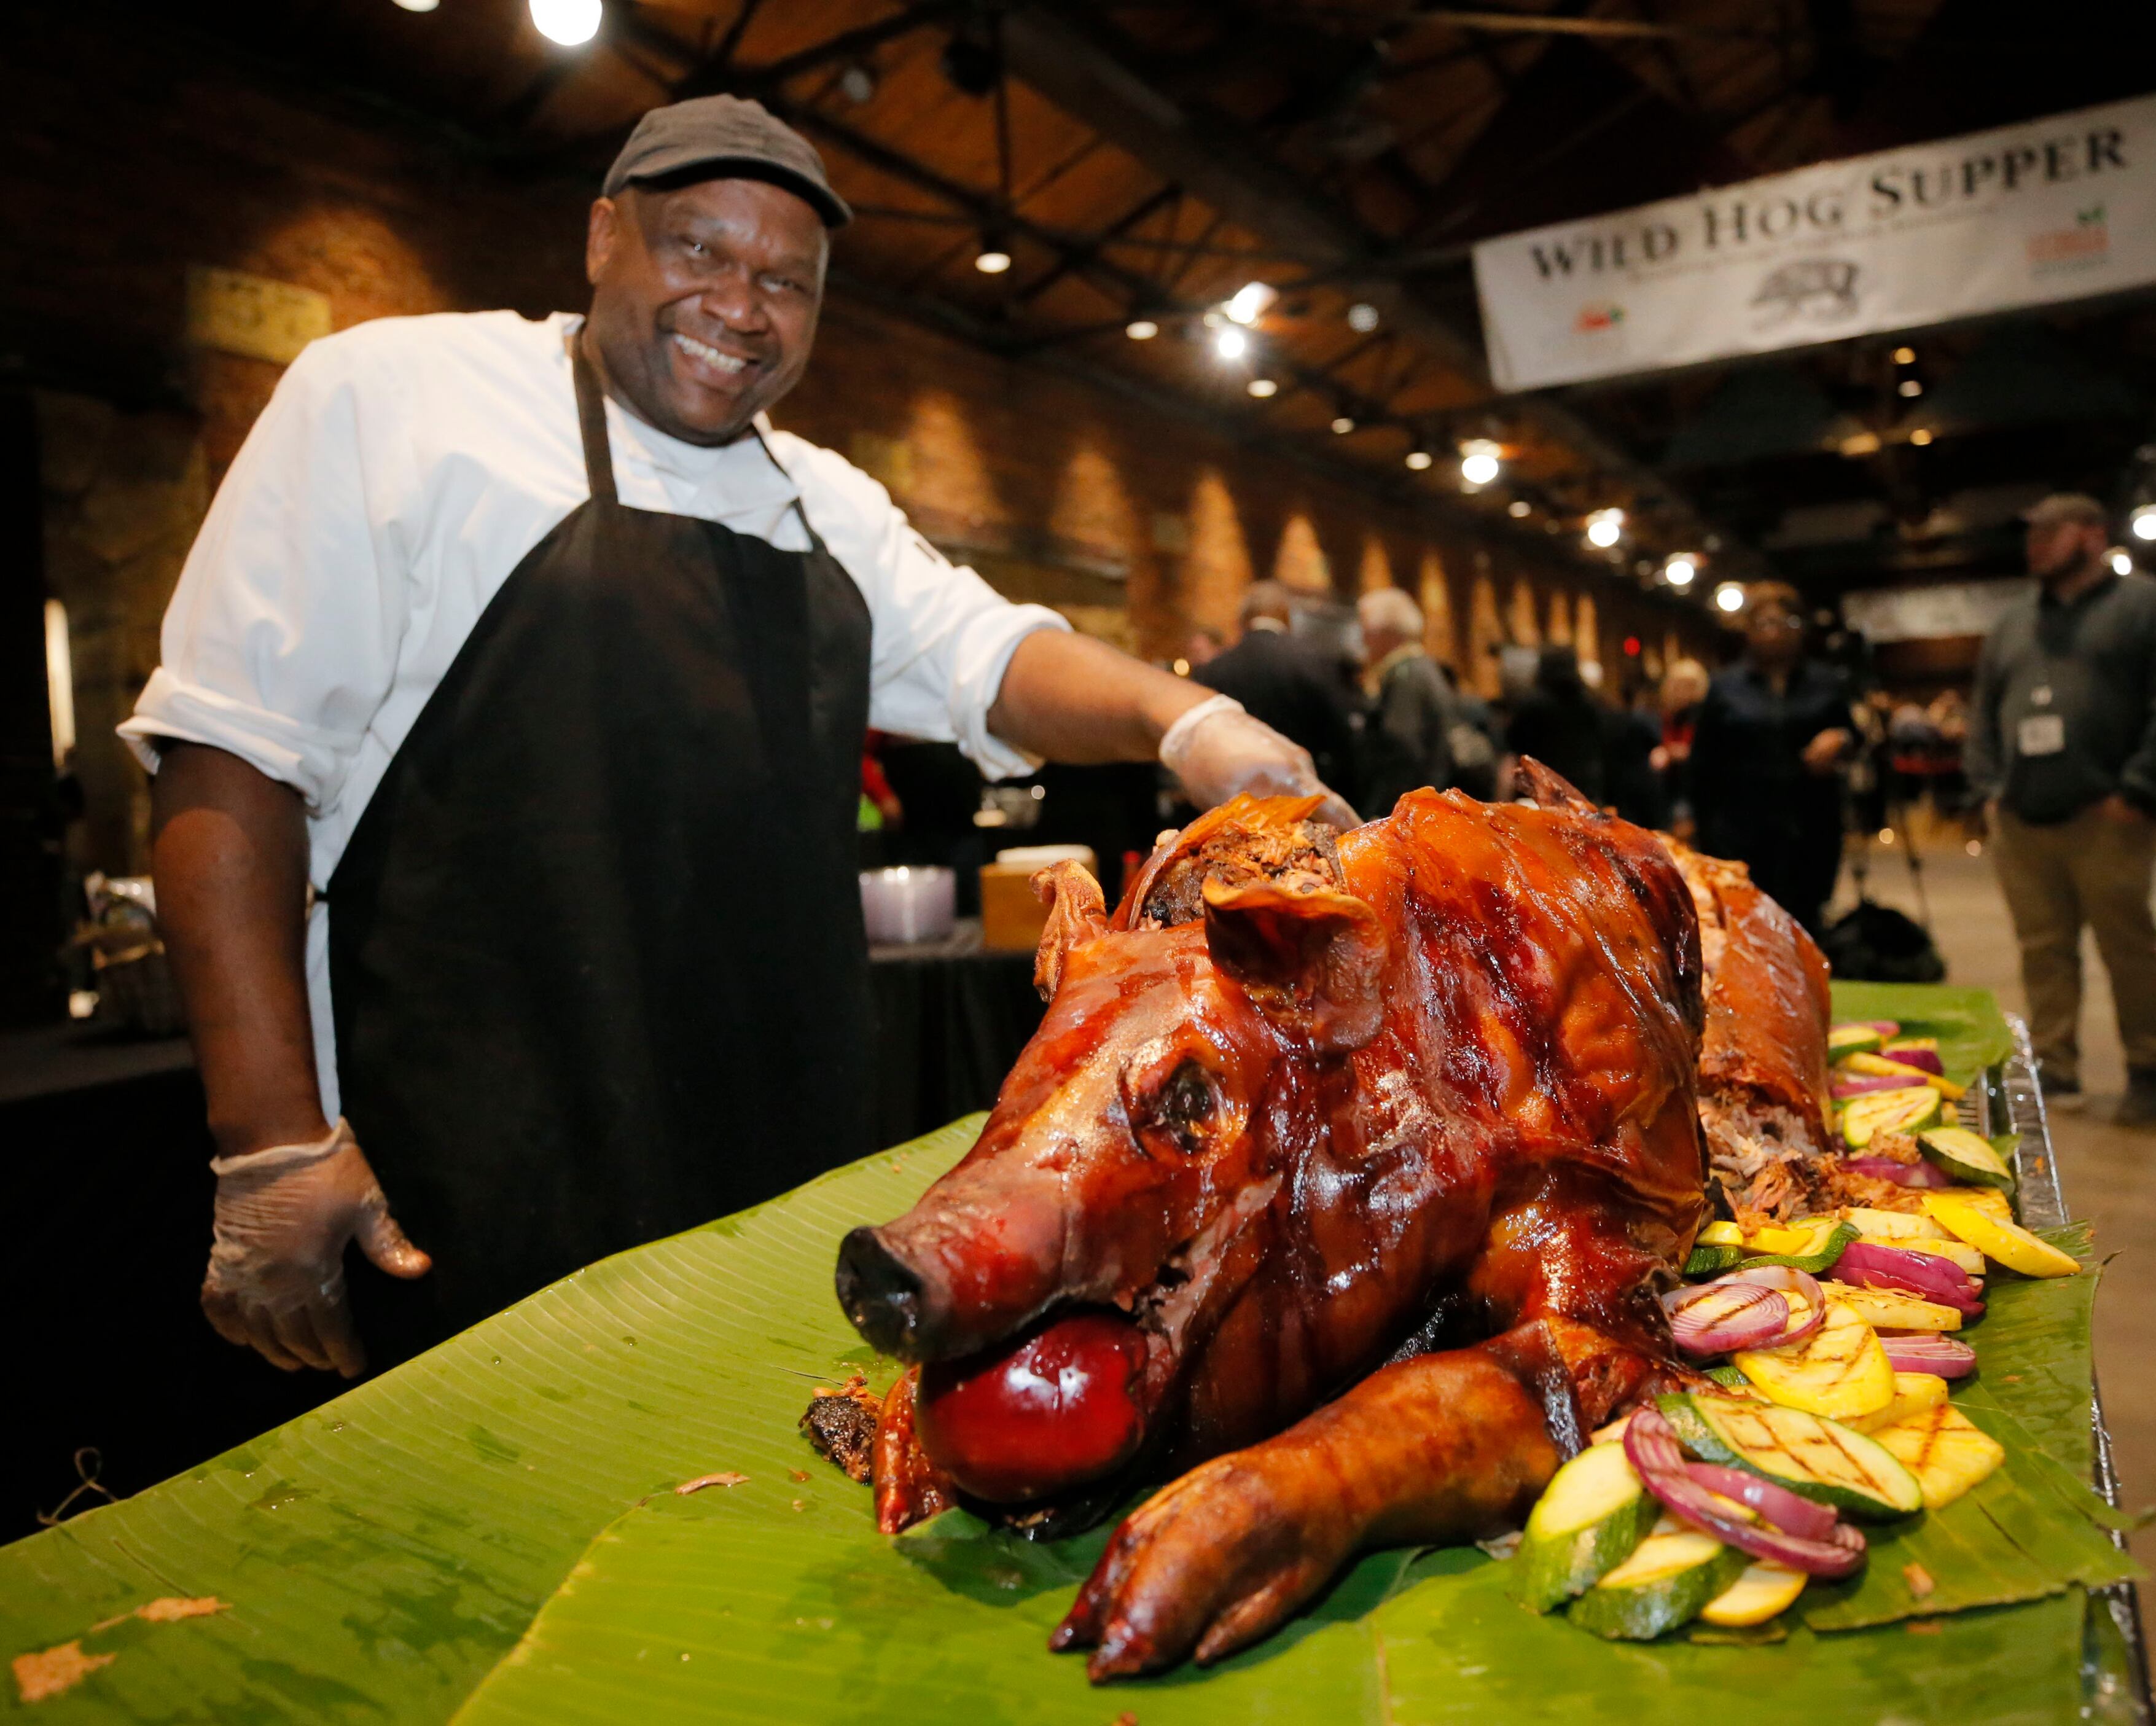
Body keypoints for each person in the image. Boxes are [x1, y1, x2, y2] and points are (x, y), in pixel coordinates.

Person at [127, 98, 1354, 1381]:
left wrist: (1189, 718)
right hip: (471, 1155)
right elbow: (228, 762)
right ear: (602, 237)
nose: (741, 304)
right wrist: (270, 1138)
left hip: (777, 1149)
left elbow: (989, 659)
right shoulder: (399, 399)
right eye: (698, 249)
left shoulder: (821, 498)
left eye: (786, 279)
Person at [1964, 493, 2156, 1126]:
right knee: (2042, 949)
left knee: (2128, 946)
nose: (2035, 542)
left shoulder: (2154, 609)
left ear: (2094, 536)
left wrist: (2142, 789)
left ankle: (2150, 1069)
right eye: (2031, 531)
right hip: (2022, 817)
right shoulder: (2013, 624)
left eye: (2051, 530)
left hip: (2107, 815)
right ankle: (2056, 1066)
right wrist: (1989, 788)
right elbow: (1984, 711)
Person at [1687, 582, 1856, 940]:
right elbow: (1702, 763)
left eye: (1785, 622)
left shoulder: (1826, 682)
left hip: (1811, 821)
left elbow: (1855, 735)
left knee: (1807, 921)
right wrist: (1699, 826)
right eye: (1764, 623)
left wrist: (1841, 740)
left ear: (1800, 628)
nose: (1775, 632)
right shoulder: (1726, 687)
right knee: (1748, 925)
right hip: (1741, 827)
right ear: (1749, 630)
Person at [1190, 581, 1360, 809]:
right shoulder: (1316, 664)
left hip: (1232, 807)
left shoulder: (1213, 670)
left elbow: (1200, 745)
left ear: (1242, 620)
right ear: (1287, 617)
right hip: (1300, 805)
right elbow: (1342, 741)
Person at [1506, 646, 1665, 827]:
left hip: (1538, 795)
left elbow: (1513, 753)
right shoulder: (1594, 702)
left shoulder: (1530, 705)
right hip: (1586, 791)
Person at [1356, 587, 1459, 817]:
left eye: (1367, 631)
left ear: (1387, 633)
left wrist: (1386, 813)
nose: (1363, 639)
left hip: (1407, 812)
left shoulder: (1405, 675)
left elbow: (1401, 747)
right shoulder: (1423, 667)